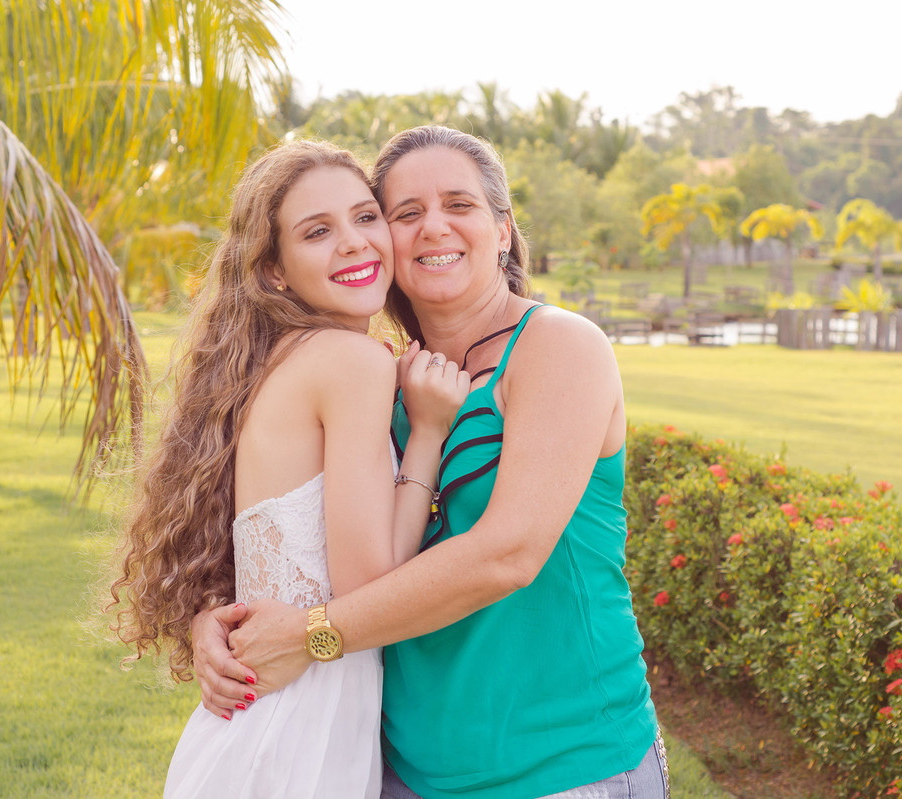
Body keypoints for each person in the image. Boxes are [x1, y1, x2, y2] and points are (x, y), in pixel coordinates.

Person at [193, 126, 668, 799]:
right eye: (405, 213)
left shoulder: (559, 347)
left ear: (503, 230)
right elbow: (286, 529)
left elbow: (508, 552)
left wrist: (310, 636)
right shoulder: (381, 380)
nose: (432, 227)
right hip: (397, 770)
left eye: (459, 205)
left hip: (565, 766)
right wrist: (214, 622)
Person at [107, 140, 469, 798]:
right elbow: (370, 580)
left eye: (365, 217)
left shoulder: (275, 358)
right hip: (300, 731)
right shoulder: (350, 362)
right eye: (317, 231)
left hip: (260, 727)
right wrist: (429, 432)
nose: (356, 244)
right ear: (274, 269)